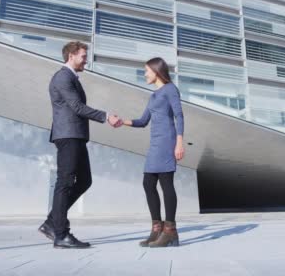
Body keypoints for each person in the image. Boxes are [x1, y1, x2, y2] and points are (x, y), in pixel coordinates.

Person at [39, 41, 122, 249]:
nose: (86, 59)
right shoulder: (62, 77)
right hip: (68, 135)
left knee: (84, 180)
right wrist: (105, 116)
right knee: (65, 182)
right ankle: (60, 234)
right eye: (83, 56)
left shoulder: (70, 77)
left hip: (75, 135)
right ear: (71, 56)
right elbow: (77, 107)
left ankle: (52, 222)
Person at [119, 57, 185, 247]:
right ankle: (157, 228)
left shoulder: (170, 89)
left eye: (147, 70)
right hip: (155, 143)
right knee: (148, 183)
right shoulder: (153, 96)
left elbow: (179, 115)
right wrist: (122, 121)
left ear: (156, 71)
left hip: (167, 141)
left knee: (166, 184)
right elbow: (142, 121)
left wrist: (179, 142)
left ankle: (170, 231)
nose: (145, 74)